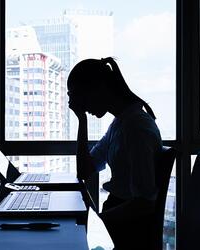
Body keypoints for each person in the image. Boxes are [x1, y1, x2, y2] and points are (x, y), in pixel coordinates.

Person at [67, 57, 163, 250]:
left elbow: (144, 203)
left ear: (99, 88)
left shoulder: (136, 127)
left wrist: (96, 223)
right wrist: (82, 120)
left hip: (128, 233)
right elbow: (85, 170)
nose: (83, 106)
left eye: (82, 96)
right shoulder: (120, 124)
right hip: (119, 227)